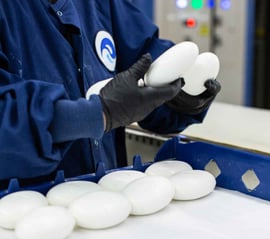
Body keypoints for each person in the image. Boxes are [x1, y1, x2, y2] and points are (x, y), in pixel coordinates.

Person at [0, 0, 220, 187]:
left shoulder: (101, 4)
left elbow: (148, 63)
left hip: (108, 201)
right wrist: (98, 114)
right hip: (23, 215)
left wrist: (178, 99)